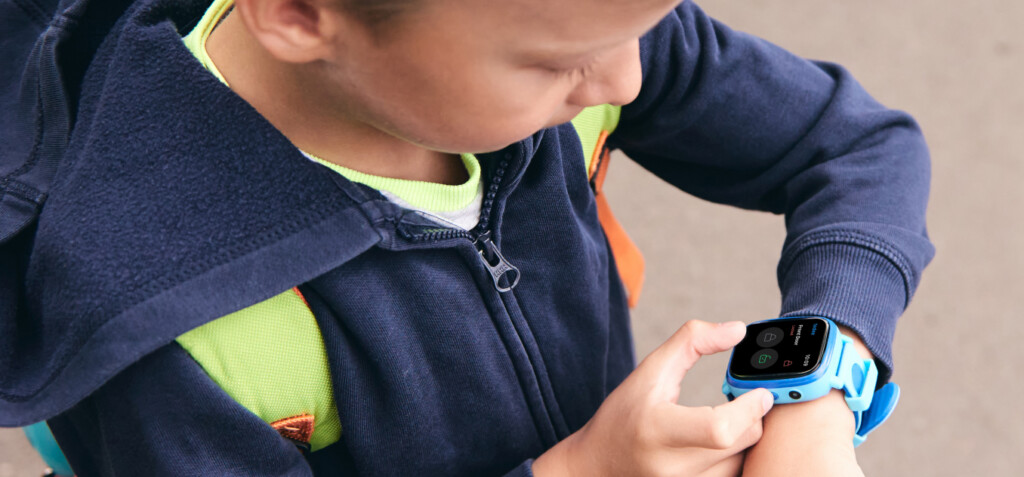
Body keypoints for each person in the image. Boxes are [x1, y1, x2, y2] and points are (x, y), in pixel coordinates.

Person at [0, 0, 934, 475]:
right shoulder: (173, 329)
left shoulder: (580, 24)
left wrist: (820, 385)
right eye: (559, 61)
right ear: (296, 14)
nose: (625, 79)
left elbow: (853, 146)